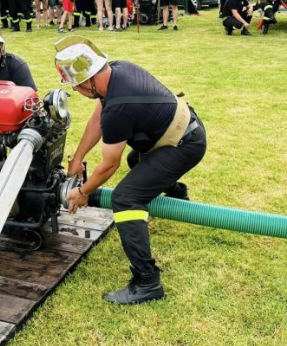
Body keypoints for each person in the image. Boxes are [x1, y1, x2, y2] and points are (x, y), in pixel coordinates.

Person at [56, 36, 207, 305]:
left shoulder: (119, 107)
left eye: (76, 87)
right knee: (137, 165)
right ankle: (175, 192)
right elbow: (97, 118)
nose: (77, 92)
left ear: (87, 82)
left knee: (126, 198)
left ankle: (147, 282)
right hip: (181, 132)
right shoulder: (117, 70)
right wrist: (78, 157)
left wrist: (82, 191)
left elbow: (108, 165)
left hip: (184, 145)